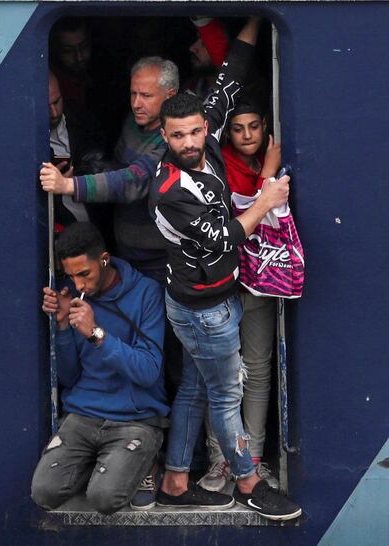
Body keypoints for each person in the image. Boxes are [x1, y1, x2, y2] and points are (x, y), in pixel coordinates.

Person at [149, 17, 302, 521]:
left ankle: (174, 479)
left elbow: (231, 72)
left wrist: (255, 19)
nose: (191, 142)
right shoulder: (171, 189)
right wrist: (267, 195)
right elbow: (226, 236)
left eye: (195, 131)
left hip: (208, 298)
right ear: (164, 137)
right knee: (225, 393)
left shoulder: (207, 128)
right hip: (204, 309)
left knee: (196, 386)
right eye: (178, 136)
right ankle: (249, 480)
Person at [31, 222, 168, 514]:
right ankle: (106, 464)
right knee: (44, 492)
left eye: (84, 274)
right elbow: (69, 377)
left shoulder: (146, 293)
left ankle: (145, 463)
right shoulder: (73, 295)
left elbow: (148, 371)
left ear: (104, 260)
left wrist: (96, 334)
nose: (79, 285)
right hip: (85, 414)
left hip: (136, 418)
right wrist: (64, 326)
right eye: (71, 276)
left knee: (104, 499)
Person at [198, 99, 282, 492]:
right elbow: (245, 213)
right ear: (226, 133)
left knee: (260, 369)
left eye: (254, 126)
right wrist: (267, 174)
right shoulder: (220, 165)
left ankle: (255, 458)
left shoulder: (273, 158)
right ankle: (221, 460)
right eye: (238, 128)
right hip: (222, 282)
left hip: (261, 279)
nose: (247, 135)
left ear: (265, 125)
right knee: (222, 374)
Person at [40, 55, 177, 282]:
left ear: (170, 95)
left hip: (161, 262)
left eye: (146, 95)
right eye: (133, 93)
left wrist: (68, 185)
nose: (136, 103)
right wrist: (87, 168)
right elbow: (117, 167)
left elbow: (133, 180)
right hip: (124, 253)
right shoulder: (134, 121)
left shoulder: (174, 136)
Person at [48, 71, 109, 230]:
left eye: (57, 102)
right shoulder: (26, 140)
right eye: (46, 106)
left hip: (95, 225)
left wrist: (73, 179)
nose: (54, 113)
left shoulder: (82, 120)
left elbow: (102, 163)